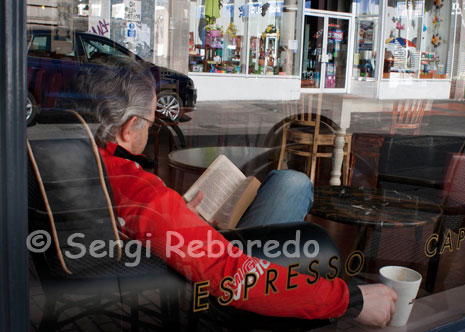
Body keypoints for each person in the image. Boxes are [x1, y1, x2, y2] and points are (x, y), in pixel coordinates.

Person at [79, 55, 397, 328]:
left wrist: (182, 217)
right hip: (221, 278)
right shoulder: (138, 192)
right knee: (296, 194)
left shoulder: (85, 163)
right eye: (151, 123)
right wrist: (350, 300)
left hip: (185, 251)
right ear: (129, 126)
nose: (151, 131)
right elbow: (232, 274)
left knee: (288, 182)